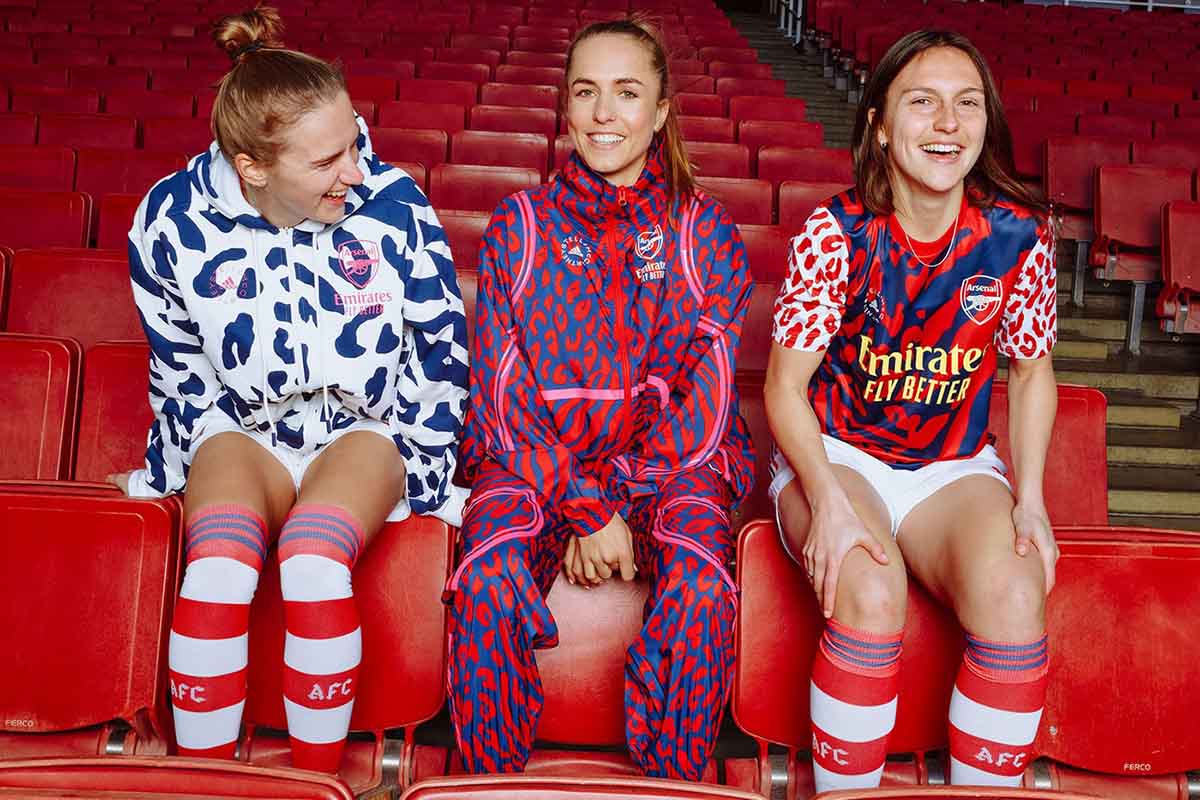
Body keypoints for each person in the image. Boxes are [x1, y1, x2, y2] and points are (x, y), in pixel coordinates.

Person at [109, 6, 468, 774]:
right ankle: (204, 785)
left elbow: (440, 350)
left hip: (362, 430)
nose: (356, 171)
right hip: (244, 428)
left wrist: (431, 473)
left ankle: (314, 782)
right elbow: (178, 368)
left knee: (309, 560)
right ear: (253, 168)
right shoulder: (168, 221)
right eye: (327, 160)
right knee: (217, 568)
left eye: (353, 142)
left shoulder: (394, 204)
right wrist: (169, 472)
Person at [443, 17, 755, 781]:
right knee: (485, 576)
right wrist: (587, 506)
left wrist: (621, 500)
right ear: (565, 107)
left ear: (661, 109)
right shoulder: (519, 224)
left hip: (669, 470)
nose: (604, 113)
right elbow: (500, 394)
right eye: (586, 92)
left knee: (703, 581)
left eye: (626, 92)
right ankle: (490, 786)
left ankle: (671, 783)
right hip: (538, 467)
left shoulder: (703, 228)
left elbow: (706, 405)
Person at [764, 29, 1058, 791]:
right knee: (866, 586)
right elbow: (784, 388)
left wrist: (1030, 501)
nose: (948, 124)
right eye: (922, 103)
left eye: (967, 105)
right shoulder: (837, 234)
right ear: (881, 125)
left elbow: (1030, 373)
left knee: (1017, 592)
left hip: (950, 467)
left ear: (987, 123)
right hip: (841, 455)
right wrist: (825, 502)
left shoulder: (1020, 236)